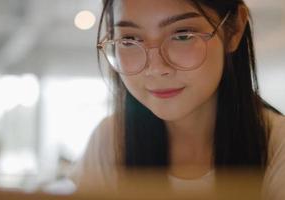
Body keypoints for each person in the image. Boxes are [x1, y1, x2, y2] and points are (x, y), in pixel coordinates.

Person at [70, 0, 285, 199]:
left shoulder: (278, 145)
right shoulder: (110, 141)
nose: (156, 69)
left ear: (234, 28)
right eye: (130, 39)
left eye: (182, 35)